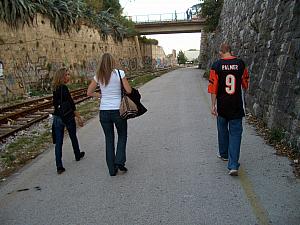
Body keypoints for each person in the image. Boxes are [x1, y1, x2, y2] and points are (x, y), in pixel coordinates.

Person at [87, 53, 132, 176]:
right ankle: (119, 161)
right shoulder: (119, 73)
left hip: (104, 112)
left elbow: (89, 92)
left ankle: (112, 170)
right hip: (118, 110)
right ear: (112, 61)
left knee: (109, 139)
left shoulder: (98, 76)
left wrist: (102, 95)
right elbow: (129, 90)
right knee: (122, 135)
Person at [208, 43, 249, 176]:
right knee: (235, 133)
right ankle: (233, 165)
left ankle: (224, 154)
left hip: (222, 105)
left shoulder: (216, 66)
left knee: (222, 129)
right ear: (231, 51)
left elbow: (213, 88)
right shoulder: (241, 64)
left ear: (221, 52)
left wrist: (213, 105)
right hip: (236, 105)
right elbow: (245, 84)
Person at [52, 67, 85, 174]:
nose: (68, 76)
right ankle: (77, 154)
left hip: (57, 117)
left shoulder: (54, 88)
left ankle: (59, 165)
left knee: (59, 142)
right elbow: (71, 104)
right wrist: (78, 117)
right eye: (67, 75)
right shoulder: (64, 88)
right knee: (72, 136)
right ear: (62, 77)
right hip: (67, 116)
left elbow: (55, 105)